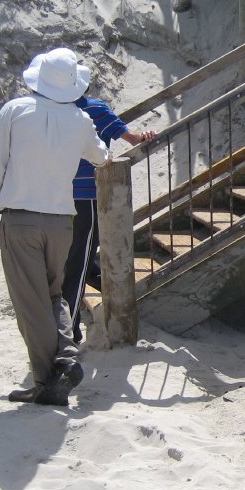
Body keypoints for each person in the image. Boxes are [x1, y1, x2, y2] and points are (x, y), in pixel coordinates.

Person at [0, 47, 108, 406]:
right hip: (61, 222)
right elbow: (101, 156)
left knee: (30, 304)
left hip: (20, 219)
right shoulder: (80, 120)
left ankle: (46, 381)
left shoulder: (15, 111)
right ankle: (66, 359)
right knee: (54, 296)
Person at [63, 96, 155, 345]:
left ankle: (101, 297)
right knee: (78, 263)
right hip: (88, 195)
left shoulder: (55, 110)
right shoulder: (95, 109)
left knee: (74, 259)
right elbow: (132, 139)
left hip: (58, 196)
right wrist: (145, 135)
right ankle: (69, 330)